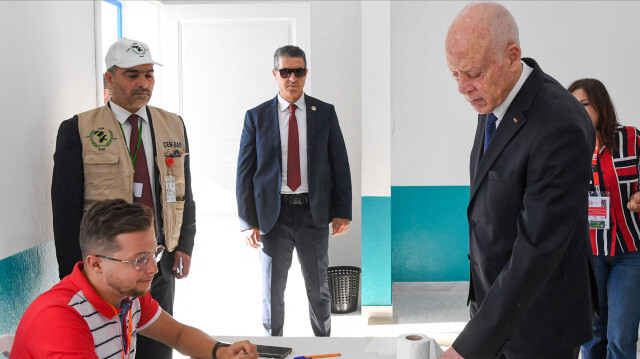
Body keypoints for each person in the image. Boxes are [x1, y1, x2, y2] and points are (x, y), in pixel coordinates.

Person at [441, 2, 598, 358]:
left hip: (540, 325)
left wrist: (469, 346)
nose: (463, 88)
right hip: (496, 312)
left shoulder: (559, 125)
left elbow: (536, 251)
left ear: (513, 56)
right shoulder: (494, 98)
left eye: (473, 73)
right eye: (455, 75)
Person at [51, 37, 196, 358]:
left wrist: (184, 243)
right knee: (110, 349)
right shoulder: (78, 129)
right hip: (105, 270)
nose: (143, 83)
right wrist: (70, 272)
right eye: (132, 75)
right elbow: (64, 210)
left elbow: (183, 190)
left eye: (149, 75)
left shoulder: (172, 124)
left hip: (156, 263)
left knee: (157, 348)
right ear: (109, 78)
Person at [13, 199, 256, 359]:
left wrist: (222, 352)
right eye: (139, 259)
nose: (153, 268)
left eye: (154, 253)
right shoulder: (60, 318)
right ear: (96, 263)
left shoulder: (128, 296)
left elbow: (178, 335)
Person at [236, 45, 352, 337]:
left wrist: (342, 212)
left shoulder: (324, 113)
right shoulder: (257, 117)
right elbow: (244, 173)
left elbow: (340, 163)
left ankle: (323, 344)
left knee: (319, 289)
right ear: (275, 74)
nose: (292, 78)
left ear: (305, 73)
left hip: (313, 214)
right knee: (272, 291)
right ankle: (273, 346)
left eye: (297, 71)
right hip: (272, 218)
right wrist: (247, 221)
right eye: (285, 71)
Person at [569, 78, 640, 359]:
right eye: (572, 105)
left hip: (630, 252)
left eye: (584, 104)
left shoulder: (631, 138)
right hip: (588, 253)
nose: (578, 110)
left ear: (601, 105)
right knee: (591, 333)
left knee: (621, 336)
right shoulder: (567, 145)